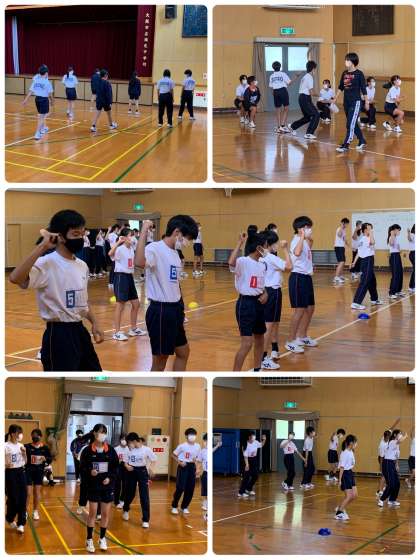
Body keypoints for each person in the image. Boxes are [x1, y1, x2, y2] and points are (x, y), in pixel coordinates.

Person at [9, 210, 104, 371]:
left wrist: (95, 323)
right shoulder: (46, 263)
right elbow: (15, 278)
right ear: (60, 236)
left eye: (82, 234)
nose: (80, 238)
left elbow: (83, 301)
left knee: (93, 374)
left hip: (80, 330)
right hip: (58, 334)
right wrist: (42, 246)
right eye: (75, 234)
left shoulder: (82, 265)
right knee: (61, 378)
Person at [135, 216, 198, 371]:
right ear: (177, 232)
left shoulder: (175, 253)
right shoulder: (155, 248)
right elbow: (139, 263)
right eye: (187, 238)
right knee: (160, 360)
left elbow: (175, 284)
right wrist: (144, 230)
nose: (187, 243)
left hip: (175, 310)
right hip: (161, 311)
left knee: (183, 352)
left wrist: (180, 309)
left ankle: (176, 381)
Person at [229, 231, 268, 371]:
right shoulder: (243, 261)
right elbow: (231, 262)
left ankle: (257, 369)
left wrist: (265, 293)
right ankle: (235, 374)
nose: (267, 249)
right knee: (247, 343)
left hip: (259, 304)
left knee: (260, 338)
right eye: (265, 246)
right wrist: (240, 243)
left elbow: (260, 284)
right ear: (258, 248)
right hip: (246, 304)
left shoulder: (262, 264)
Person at [80, 424, 119, 552]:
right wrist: (90, 472)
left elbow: (115, 468)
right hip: (93, 486)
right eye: (100, 432)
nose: (102, 434)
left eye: (104, 432)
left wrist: (110, 478)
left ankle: (102, 538)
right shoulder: (87, 450)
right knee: (92, 513)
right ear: (95, 433)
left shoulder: (111, 450)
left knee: (105, 514)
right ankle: (89, 539)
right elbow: (82, 468)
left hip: (107, 486)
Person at [285, 216, 317, 353]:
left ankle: (302, 336)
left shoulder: (304, 241)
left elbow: (308, 248)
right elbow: (297, 252)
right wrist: (303, 236)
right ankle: (290, 341)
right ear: (299, 229)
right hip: (298, 277)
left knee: (310, 308)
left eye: (310, 227)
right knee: (299, 310)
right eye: (307, 227)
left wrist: (308, 238)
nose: (310, 229)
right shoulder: (296, 241)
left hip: (307, 277)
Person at [260, 230, 292, 370]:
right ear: (268, 244)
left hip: (263, 291)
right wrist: (285, 249)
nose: (277, 245)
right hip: (272, 292)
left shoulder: (259, 256)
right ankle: (263, 358)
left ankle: (274, 348)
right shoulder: (271, 258)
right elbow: (289, 267)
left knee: (274, 322)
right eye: (275, 243)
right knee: (268, 325)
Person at [108, 228, 146, 341]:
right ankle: (116, 332)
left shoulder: (131, 249)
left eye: (133, 235)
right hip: (121, 277)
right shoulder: (120, 249)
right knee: (120, 305)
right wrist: (118, 242)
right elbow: (110, 253)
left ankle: (133, 329)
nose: (132, 237)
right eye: (130, 235)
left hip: (129, 277)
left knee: (136, 304)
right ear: (124, 238)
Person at [335, 52, 369, 153]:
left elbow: (363, 89)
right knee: (352, 123)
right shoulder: (344, 73)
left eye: (348, 60)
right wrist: (335, 97)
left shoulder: (359, 74)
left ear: (353, 62)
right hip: (346, 102)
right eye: (345, 60)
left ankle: (346, 145)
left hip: (356, 102)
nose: (346, 62)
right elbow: (341, 87)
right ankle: (362, 140)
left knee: (350, 124)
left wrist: (366, 102)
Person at [123, 433, 156, 527]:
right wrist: (127, 466)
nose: (128, 445)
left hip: (142, 472)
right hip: (131, 471)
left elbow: (154, 459)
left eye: (129, 442)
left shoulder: (146, 449)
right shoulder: (128, 450)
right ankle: (126, 509)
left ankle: (145, 520)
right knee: (130, 493)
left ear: (134, 441)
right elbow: (125, 462)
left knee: (144, 495)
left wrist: (151, 469)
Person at [351, 223, 383, 310]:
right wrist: (371, 233)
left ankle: (374, 299)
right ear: (365, 230)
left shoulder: (363, 239)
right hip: (367, 260)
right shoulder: (365, 239)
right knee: (365, 281)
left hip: (368, 261)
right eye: (370, 228)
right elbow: (373, 242)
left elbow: (359, 252)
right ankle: (356, 302)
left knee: (372, 281)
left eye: (372, 228)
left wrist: (354, 262)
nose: (371, 230)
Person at [171, 428, 201, 514]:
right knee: (180, 487)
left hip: (192, 467)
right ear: (186, 436)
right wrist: (179, 462)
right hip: (183, 466)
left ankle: (184, 506)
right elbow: (173, 455)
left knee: (190, 488)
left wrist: (198, 468)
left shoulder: (198, 446)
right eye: (190, 435)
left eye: (194, 435)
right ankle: (174, 506)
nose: (192, 436)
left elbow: (198, 458)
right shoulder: (182, 446)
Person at [288, 61, 319, 139]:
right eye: (315, 69)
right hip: (305, 98)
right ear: (313, 69)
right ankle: (309, 133)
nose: (315, 71)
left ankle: (293, 126)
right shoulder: (309, 77)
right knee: (316, 114)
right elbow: (312, 92)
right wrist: (320, 95)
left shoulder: (305, 76)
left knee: (307, 117)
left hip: (302, 98)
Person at [25, 429, 52, 520]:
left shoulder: (45, 448)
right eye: (33, 435)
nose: (34, 437)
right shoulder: (27, 447)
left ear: (40, 436)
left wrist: (45, 459)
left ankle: (35, 511)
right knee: (28, 493)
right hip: (28, 471)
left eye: (36, 435)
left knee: (36, 492)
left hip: (39, 472)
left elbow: (50, 459)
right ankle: (25, 511)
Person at [22, 64, 54, 140]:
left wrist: (25, 100)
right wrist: (52, 101)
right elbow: (50, 94)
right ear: (46, 73)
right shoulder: (47, 82)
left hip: (37, 99)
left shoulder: (36, 81)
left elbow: (31, 91)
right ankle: (37, 133)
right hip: (44, 100)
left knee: (41, 115)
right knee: (41, 117)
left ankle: (42, 129)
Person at [5, 425, 27, 533]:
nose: (20, 435)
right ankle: (9, 518)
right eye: (19, 432)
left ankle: (21, 523)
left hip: (21, 472)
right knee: (13, 498)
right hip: (10, 473)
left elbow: (25, 462)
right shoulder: (5, 446)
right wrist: (6, 464)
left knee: (23, 497)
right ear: (13, 434)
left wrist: (24, 453)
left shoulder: (21, 445)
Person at [378, 429, 407, 508]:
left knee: (397, 483)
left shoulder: (397, 444)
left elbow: (396, 455)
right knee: (391, 484)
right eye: (399, 434)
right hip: (387, 463)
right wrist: (405, 436)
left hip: (392, 464)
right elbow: (400, 440)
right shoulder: (392, 442)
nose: (400, 435)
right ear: (395, 435)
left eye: (401, 434)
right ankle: (381, 499)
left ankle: (392, 500)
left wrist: (396, 464)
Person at [335, 434, 358, 520]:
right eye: (355, 442)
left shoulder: (351, 451)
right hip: (345, 474)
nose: (356, 444)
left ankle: (340, 507)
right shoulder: (344, 453)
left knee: (354, 495)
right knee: (349, 496)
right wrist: (340, 480)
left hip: (350, 473)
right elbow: (341, 468)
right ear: (351, 443)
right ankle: (338, 513)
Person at [238, 432, 266, 498]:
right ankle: (241, 492)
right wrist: (247, 465)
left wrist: (264, 439)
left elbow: (261, 445)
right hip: (247, 460)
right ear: (249, 437)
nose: (254, 437)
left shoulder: (255, 442)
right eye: (252, 436)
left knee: (255, 476)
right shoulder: (245, 445)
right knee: (246, 477)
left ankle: (248, 488)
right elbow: (245, 457)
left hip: (254, 460)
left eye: (254, 436)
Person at [388, 224, 404, 299]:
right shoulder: (391, 237)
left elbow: (397, 248)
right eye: (398, 230)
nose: (399, 232)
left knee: (400, 273)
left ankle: (398, 290)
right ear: (394, 230)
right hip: (394, 256)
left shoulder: (396, 237)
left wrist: (400, 251)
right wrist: (392, 234)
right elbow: (391, 243)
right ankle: (391, 293)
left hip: (397, 255)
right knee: (395, 275)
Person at [114, 434, 129, 509]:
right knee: (117, 485)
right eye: (123, 439)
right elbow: (113, 460)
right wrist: (118, 461)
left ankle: (122, 499)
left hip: (126, 467)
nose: (124, 441)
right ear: (120, 440)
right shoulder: (116, 449)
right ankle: (116, 501)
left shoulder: (129, 449)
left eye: (125, 439)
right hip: (118, 467)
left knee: (125, 485)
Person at [333, 218, 350, 284]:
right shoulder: (339, 229)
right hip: (338, 247)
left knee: (343, 262)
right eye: (346, 224)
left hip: (342, 247)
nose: (347, 225)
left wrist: (349, 246)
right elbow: (339, 235)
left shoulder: (344, 230)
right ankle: (336, 277)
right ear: (343, 223)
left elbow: (344, 239)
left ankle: (340, 276)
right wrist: (341, 226)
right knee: (341, 261)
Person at [197, 433, 208, 512]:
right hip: (205, 473)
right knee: (204, 489)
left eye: (207, 441)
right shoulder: (202, 451)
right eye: (204, 441)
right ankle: (205, 504)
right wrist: (198, 469)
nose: (205, 442)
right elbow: (199, 461)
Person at [408, 225, 415, 293]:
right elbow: (409, 239)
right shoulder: (412, 234)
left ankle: (412, 286)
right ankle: (411, 286)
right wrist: (408, 233)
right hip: (413, 254)